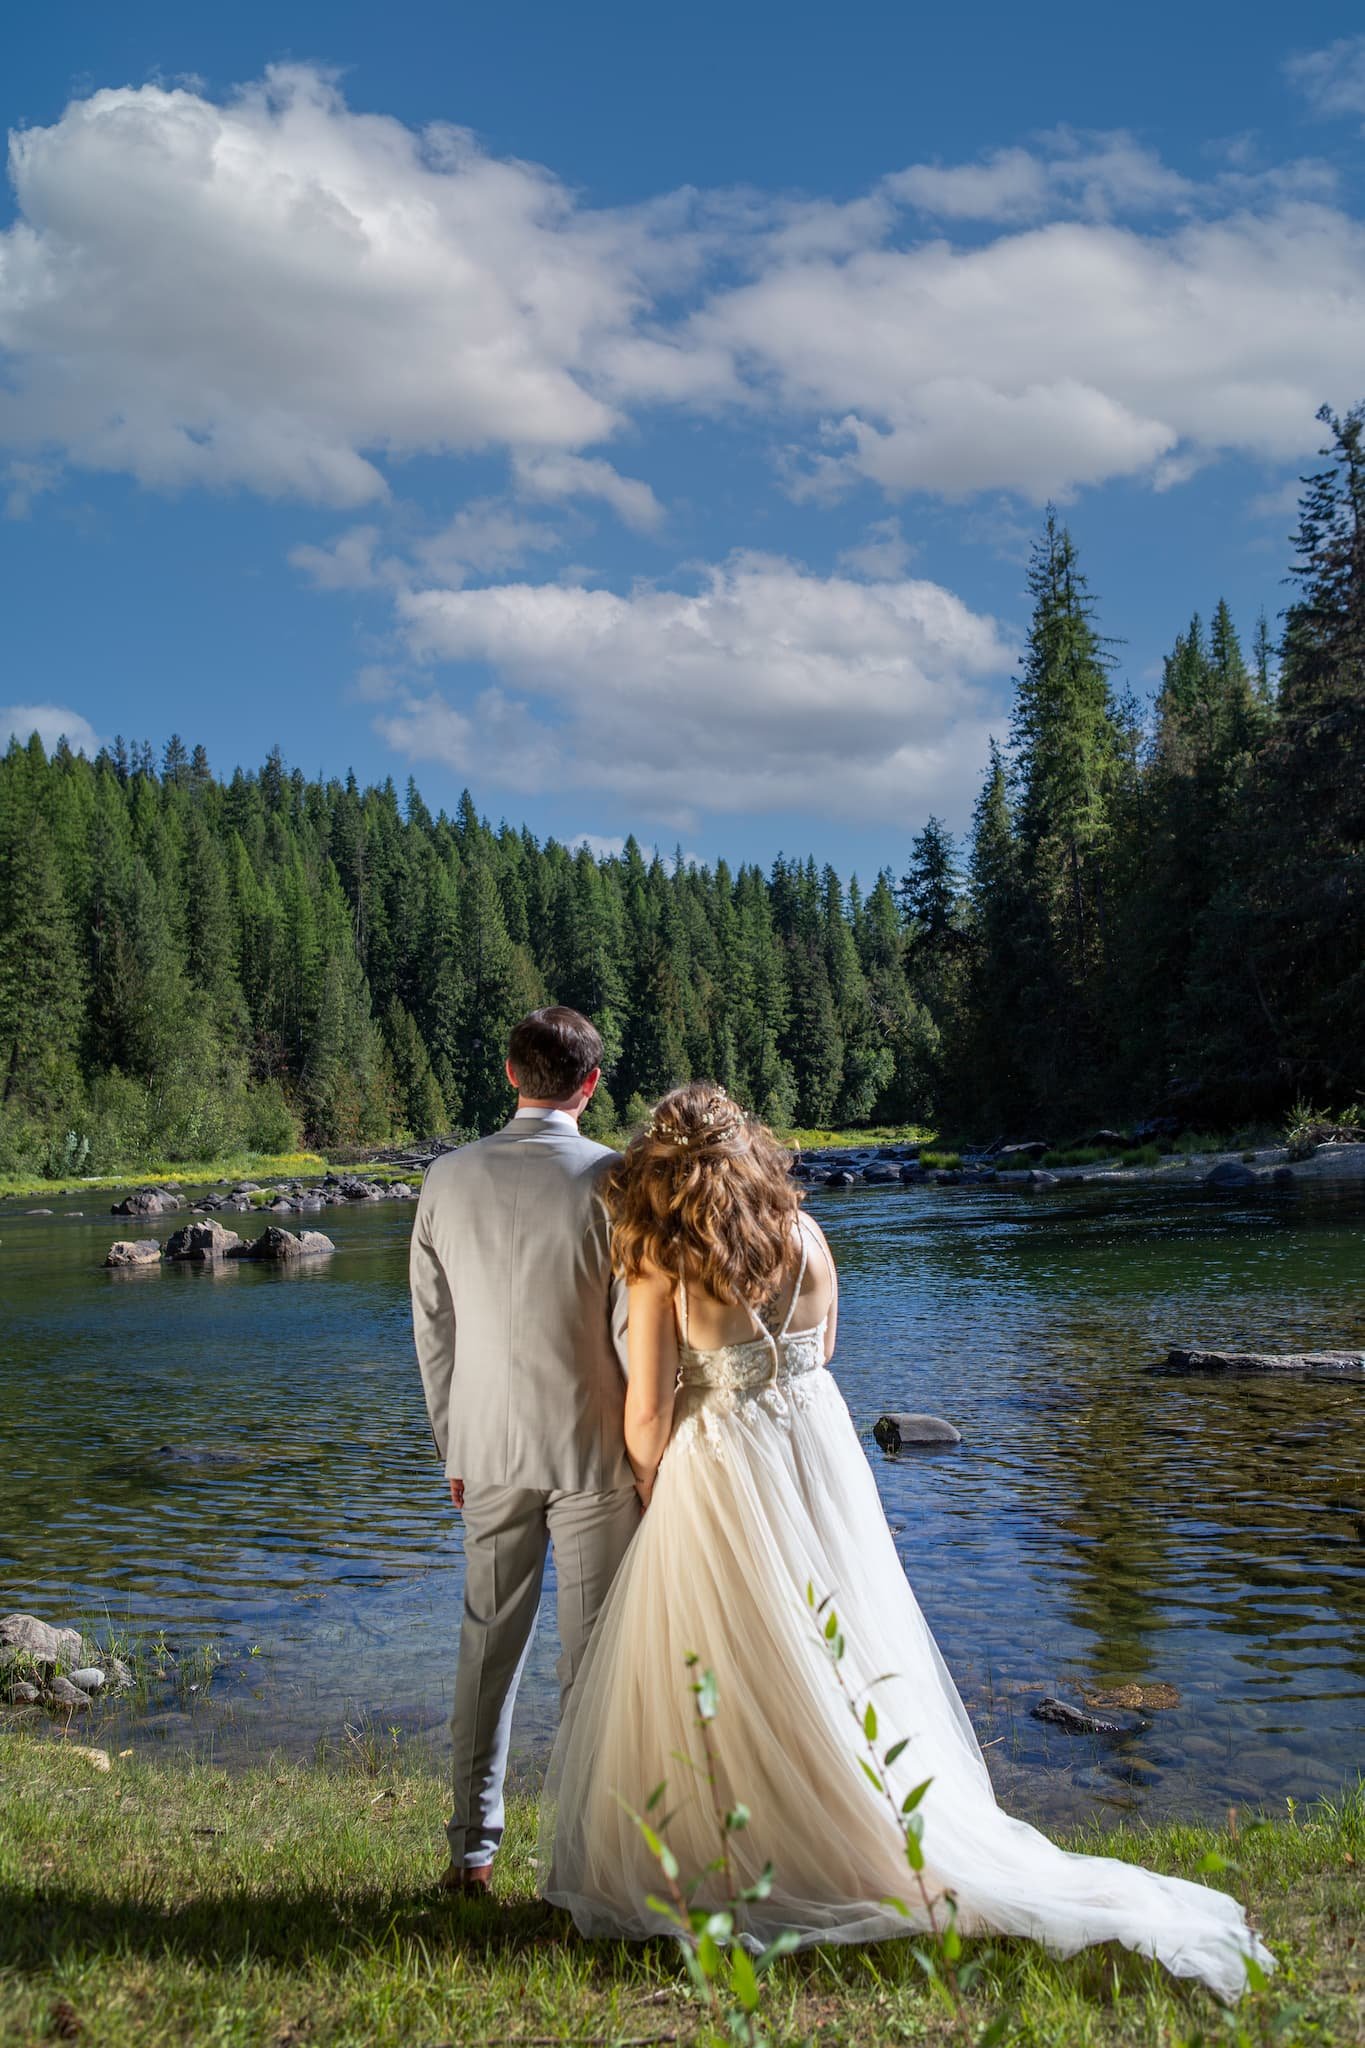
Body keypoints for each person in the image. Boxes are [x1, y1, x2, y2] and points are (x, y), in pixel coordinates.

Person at [539, 1081, 1274, 2003]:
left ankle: (750, 1844)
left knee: (730, 1657)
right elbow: (825, 1350)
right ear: (752, 1152)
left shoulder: (661, 1255)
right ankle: (859, 1819)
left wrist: (653, 1485)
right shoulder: (806, 1234)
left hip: (723, 1456)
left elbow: (645, 1409)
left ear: (659, 1164)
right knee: (842, 1647)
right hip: (815, 1446)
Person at [410, 1006, 638, 1895]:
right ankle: (585, 1860)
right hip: (594, 1452)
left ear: (511, 1074)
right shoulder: (613, 1181)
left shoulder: (445, 1178)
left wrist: (451, 1445)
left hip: (486, 1449)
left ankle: (471, 1849)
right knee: (591, 1661)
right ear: (589, 1085)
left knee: (486, 1648)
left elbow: (434, 1331)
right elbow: (631, 1335)